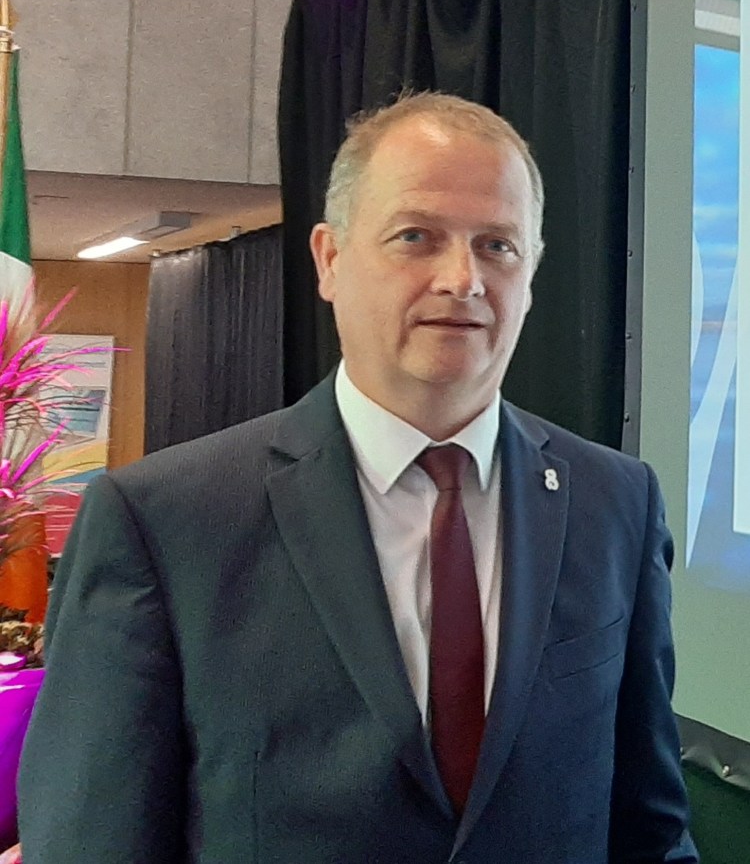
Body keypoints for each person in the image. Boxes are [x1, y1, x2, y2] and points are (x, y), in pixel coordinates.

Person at [17, 93, 698, 863]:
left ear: (531, 272)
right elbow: (91, 840)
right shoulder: (164, 520)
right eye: (416, 237)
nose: (463, 279)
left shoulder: (616, 503)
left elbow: (648, 827)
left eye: (498, 246)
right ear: (330, 260)